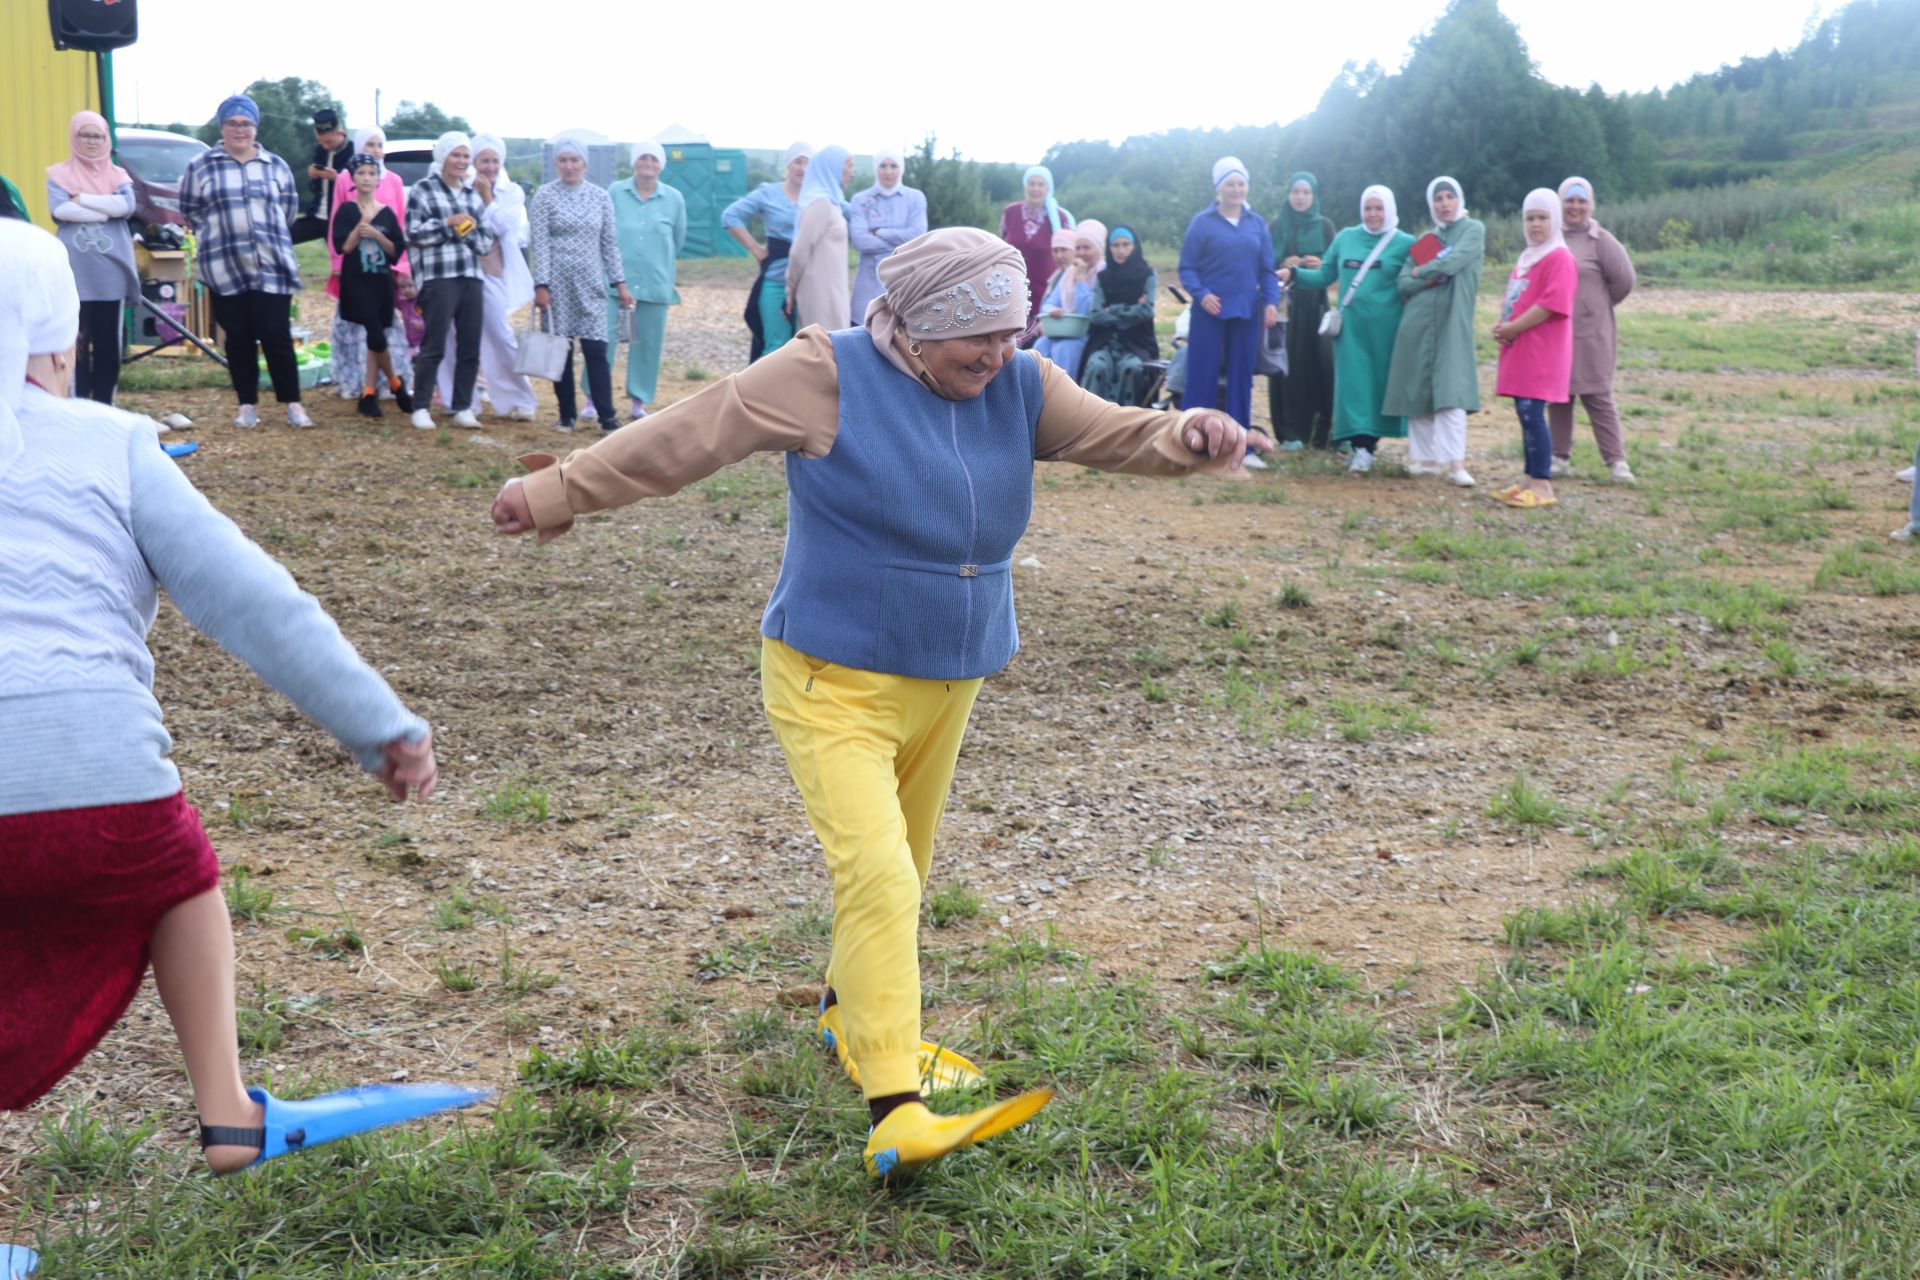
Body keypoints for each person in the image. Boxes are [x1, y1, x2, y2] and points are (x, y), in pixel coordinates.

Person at [489, 227, 1268, 1180]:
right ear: (918, 322)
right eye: (974, 338)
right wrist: (557, 491)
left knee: (903, 863)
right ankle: (896, 1107)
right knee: (882, 874)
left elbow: (1116, 432)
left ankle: (843, 1015)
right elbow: (689, 434)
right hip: (833, 674)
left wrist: (1183, 433)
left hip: (952, 668)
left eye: (1011, 334)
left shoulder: (1018, 382)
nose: (997, 354)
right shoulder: (828, 371)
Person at [0, 221, 480, 1238]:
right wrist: (378, 725)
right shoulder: (114, 442)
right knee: (181, 881)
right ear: (57, 338)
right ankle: (227, 1109)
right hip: (105, 783)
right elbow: (255, 600)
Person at [178, 94, 312, 430]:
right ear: (222, 127)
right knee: (237, 336)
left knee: (275, 333)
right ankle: (247, 404)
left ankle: (292, 403)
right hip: (225, 264)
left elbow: (288, 210)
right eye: (233, 124)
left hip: (271, 263)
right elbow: (191, 209)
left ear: (256, 127)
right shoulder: (201, 166)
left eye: (247, 124)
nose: (240, 130)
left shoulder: (275, 165)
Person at [1279, 186, 1415, 468]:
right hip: (1351, 331)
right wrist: (1292, 273)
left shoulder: (1404, 243)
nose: (1373, 214)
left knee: (1379, 387)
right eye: (1368, 208)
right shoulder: (1346, 238)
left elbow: (1420, 277)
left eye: (1379, 208)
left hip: (1387, 332)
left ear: (1389, 210)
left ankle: (1372, 443)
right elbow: (1324, 275)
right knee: (1354, 387)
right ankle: (1360, 448)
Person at [1382, 176, 1485, 479]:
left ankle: (1455, 464)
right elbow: (1403, 281)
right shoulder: (1425, 240)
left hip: (1453, 321)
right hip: (1417, 323)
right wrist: (1429, 274)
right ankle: (1424, 461)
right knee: (1419, 390)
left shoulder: (1473, 230)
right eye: (1438, 199)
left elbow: (1454, 262)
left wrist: (1423, 271)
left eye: (1449, 197)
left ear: (1459, 199)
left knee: (1451, 389)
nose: (1444, 204)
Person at [531, 137, 634, 432]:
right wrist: (542, 285)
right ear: (556, 164)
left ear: (584, 164)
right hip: (556, 284)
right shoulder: (545, 196)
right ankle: (566, 414)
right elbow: (540, 242)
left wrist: (620, 283)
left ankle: (607, 416)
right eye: (563, 160)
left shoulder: (600, 197)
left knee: (596, 350)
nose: (569, 166)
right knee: (560, 350)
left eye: (574, 160)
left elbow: (609, 244)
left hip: (591, 283)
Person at [435, 134, 539, 422]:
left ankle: (519, 397)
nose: (490, 167)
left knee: (500, 335)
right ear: (474, 161)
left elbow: (504, 226)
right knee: (454, 336)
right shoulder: (458, 186)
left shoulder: (512, 191)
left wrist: (488, 197)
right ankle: (461, 400)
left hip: (491, 269)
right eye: (484, 160)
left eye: (494, 161)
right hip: (457, 268)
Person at [1177, 157, 1280, 435]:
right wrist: (1201, 294)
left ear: (1247, 186)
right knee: (1202, 372)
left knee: (1241, 377)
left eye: (1241, 183)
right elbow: (1187, 268)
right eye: (1230, 184)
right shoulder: (1202, 222)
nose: (1236, 189)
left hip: (1247, 309)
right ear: (1219, 188)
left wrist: (1272, 301)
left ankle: (1240, 443)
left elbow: (1267, 270)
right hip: (1210, 309)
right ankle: (1192, 437)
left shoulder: (1256, 224)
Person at [1490, 190, 1576, 509]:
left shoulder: (1560, 258)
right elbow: (1517, 296)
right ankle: (1528, 479)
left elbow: (1551, 304)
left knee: (1532, 413)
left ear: (1554, 220)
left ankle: (1542, 484)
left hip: (1542, 351)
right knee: (1524, 413)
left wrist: (1513, 327)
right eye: (1530, 218)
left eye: (1542, 218)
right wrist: (1503, 322)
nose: (1536, 224)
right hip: (1521, 348)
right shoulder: (1529, 256)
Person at [46, 110, 138, 406]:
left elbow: (127, 206)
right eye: (85, 135)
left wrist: (83, 199)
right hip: (76, 273)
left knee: (109, 342)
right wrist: (106, 208)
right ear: (74, 137)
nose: (92, 141)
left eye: (98, 135)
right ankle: (78, 401)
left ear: (107, 139)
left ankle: (105, 402)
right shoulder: (59, 175)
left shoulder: (118, 175)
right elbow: (61, 211)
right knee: (77, 340)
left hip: (110, 272)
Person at [1551, 176, 1637, 484]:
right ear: (1559, 204)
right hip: (1557, 333)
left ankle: (1616, 462)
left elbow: (1624, 280)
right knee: (1559, 396)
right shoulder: (1551, 237)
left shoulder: (1601, 240)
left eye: (1581, 201)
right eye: (1569, 201)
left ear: (1591, 205)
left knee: (1598, 395)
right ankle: (1559, 458)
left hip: (1592, 334)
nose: (1575, 207)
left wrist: (1596, 307)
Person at [405, 132, 493, 430]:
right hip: (438, 278)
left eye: (466, 156)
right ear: (443, 157)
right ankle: (420, 407)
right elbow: (414, 234)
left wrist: (464, 229)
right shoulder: (422, 190)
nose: (461, 161)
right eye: (456, 155)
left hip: (471, 277)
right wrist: (446, 223)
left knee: (471, 346)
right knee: (434, 344)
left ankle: (463, 406)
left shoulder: (471, 196)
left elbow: (483, 244)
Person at [326, 128, 414, 408]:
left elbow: (395, 248)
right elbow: (343, 245)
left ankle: (369, 392)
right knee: (375, 333)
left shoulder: (386, 213)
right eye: (361, 173)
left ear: (378, 178)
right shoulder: (347, 211)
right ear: (353, 177)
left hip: (380, 280)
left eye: (371, 174)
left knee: (377, 336)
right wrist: (358, 231)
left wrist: (377, 235)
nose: (366, 178)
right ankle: (396, 384)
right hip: (356, 281)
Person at [609, 141, 687, 421]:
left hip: (655, 284)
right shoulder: (616, 191)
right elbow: (605, 233)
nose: (648, 163)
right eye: (643, 157)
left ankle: (638, 402)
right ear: (633, 162)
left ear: (661, 164)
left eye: (654, 159)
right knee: (604, 341)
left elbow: (677, 239)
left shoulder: (674, 198)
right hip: (615, 283)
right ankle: (595, 400)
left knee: (647, 345)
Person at [1270, 173, 1337, 449]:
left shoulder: (1325, 226)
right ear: (1289, 194)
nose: (1300, 197)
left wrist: (1321, 263)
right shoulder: (1276, 225)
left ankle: (1323, 432)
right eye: (1296, 191)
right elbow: (1263, 263)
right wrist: (1283, 261)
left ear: (1314, 196)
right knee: (1288, 365)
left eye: (1306, 192)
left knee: (1323, 363)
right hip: (1287, 305)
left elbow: (1336, 266)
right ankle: (1291, 433)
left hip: (1317, 304)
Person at [724, 142, 809, 361]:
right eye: (798, 162)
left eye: (808, 163)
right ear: (788, 165)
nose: (803, 168)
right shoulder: (768, 193)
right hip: (776, 278)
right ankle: (764, 394)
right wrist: (755, 248)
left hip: (810, 282)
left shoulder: (819, 196)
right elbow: (730, 216)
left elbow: (851, 215)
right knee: (776, 348)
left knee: (807, 348)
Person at [1081, 226, 1160, 406]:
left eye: (1126, 244)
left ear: (1135, 246)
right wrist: (1131, 311)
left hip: (1137, 342)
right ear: (1109, 248)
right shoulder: (1103, 277)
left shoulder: (1147, 275)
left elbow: (1147, 311)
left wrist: (1113, 310)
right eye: (1115, 245)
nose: (1121, 250)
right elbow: (1095, 314)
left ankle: (1128, 424)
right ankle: (1091, 421)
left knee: (1131, 368)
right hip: (1105, 341)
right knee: (1097, 366)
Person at [848, 148, 927, 325]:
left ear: (902, 168)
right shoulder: (860, 200)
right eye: (883, 165)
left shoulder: (915, 198)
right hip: (868, 282)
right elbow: (860, 241)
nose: (888, 171)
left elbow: (918, 236)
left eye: (894, 165)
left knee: (903, 337)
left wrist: (879, 232)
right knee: (863, 334)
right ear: (876, 168)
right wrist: (902, 242)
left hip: (905, 281)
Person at [785, 145, 853, 335]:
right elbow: (799, 251)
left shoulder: (833, 203)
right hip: (820, 293)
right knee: (822, 348)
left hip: (833, 289)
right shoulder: (820, 203)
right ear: (833, 167)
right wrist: (790, 287)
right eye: (848, 165)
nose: (851, 172)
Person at [998, 165, 1074, 324]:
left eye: (1040, 184)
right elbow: (1001, 246)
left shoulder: (1060, 217)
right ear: (1025, 186)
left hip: (1046, 290)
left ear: (1048, 188)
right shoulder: (1010, 212)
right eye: (1031, 183)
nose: (1035, 189)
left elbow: (1070, 255)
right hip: (1013, 287)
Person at [1033, 218, 1105, 383]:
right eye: (1078, 248)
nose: (1081, 253)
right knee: (1040, 345)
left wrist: (1081, 280)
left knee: (1064, 349)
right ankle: (1036, 397)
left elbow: (1087, 310)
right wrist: (1052, 311)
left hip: (1087, 334)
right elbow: (1049, 303)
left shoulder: (1103, 274)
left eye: (1087, 247)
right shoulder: (1069, 274)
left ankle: (1062, 399)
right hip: (1061, 330)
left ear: (1099, 248)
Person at [292, 108, 353, 244]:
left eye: (329, 142)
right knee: (285, 234)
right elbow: (315, 189)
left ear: (340, 133)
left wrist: (338, 179)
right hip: (316, 214)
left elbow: (355, 189)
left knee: (340, 259)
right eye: (321, 141)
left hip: (338, 217)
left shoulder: (352, 152)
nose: (325, 146)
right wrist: (314, 177)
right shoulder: (320, 150)